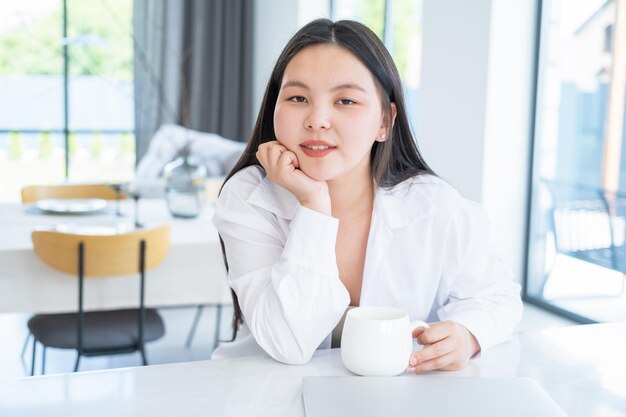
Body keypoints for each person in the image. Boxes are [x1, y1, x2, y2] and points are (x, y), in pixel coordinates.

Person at [212, 18, 522, 372]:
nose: (318, 119)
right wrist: (314, 206)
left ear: (385, 122)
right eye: (298, 97)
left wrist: (469, 334)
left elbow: (498, 297)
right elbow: (289, 343)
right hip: (262, 391)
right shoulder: (248, 196)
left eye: (345, 100)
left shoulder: (434, 204)